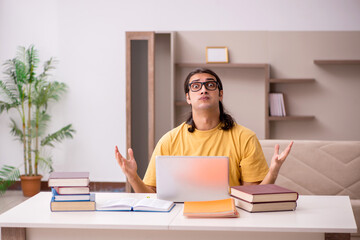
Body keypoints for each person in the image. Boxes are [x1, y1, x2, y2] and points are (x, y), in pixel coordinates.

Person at [115, 68, 293, 193]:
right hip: (180, 218)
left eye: (210, 85)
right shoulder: (169, 140)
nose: (203, 90)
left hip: (229, 218)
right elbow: (151, 196)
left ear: (220, 94)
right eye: (195, 86)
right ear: (188, 97)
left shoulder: (244, 138)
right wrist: (133, 177)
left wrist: (273, 172)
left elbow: (250, 196)